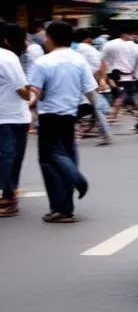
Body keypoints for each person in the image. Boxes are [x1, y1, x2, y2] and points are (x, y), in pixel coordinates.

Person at [28, 20, 98, 223]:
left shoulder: (43, 62)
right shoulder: (79, 60)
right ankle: (65, 208)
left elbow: (36, 93)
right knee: (67, 155)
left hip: (49, 115)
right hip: (70, 115)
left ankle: (71, 189)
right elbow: (90, 90)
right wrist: (95, 115)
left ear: (50, 38)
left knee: (50, 160)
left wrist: (29, 105)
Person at [0, 23, 32, 217]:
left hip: (8, 117)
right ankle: (10, 194)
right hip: (14, 115)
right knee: (11, 156)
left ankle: (9, 196)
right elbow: (23, 91)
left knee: (7, 156)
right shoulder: (7, 57)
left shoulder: (6, 57)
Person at [73, 28, 113, 146]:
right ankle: (105, 134)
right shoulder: (88, 48)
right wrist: (102, 79)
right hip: (88, 82)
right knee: (96, 108)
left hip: (78, 83)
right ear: (88, 39)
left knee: (80, 107)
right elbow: (102, 64)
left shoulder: (72, 48)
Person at [102, 24, 138, 118]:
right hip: (126, 75)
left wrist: (103, 77)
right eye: (130, 35)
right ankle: (114, 113)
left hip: (111, 75)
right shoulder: (131, 45)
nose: (132, 37)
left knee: (117, 94)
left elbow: (103, 60)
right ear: (123, 35)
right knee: (122, 95)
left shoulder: (108, 44)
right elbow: (135, 60)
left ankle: (116, 113)